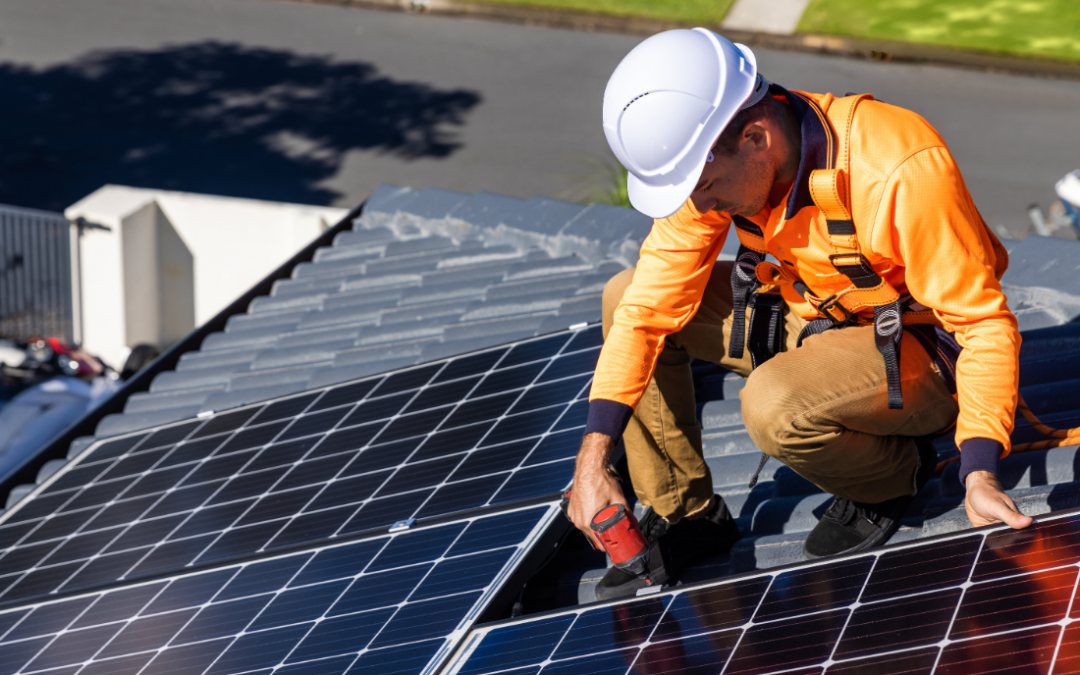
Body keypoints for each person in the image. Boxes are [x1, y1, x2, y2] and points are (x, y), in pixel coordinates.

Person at [566, 28, 1033, 601]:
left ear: (757, 137)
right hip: (816, 319)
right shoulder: (720, 167)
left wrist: (979, 469)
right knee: (624, 292)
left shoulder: (898, 166)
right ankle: (686, 513)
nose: (702, 207)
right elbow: (643, 311)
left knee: (772, 404)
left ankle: (890, 476)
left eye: (705, 187)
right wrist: (592, 460)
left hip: (920, 353)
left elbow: (983, 326)